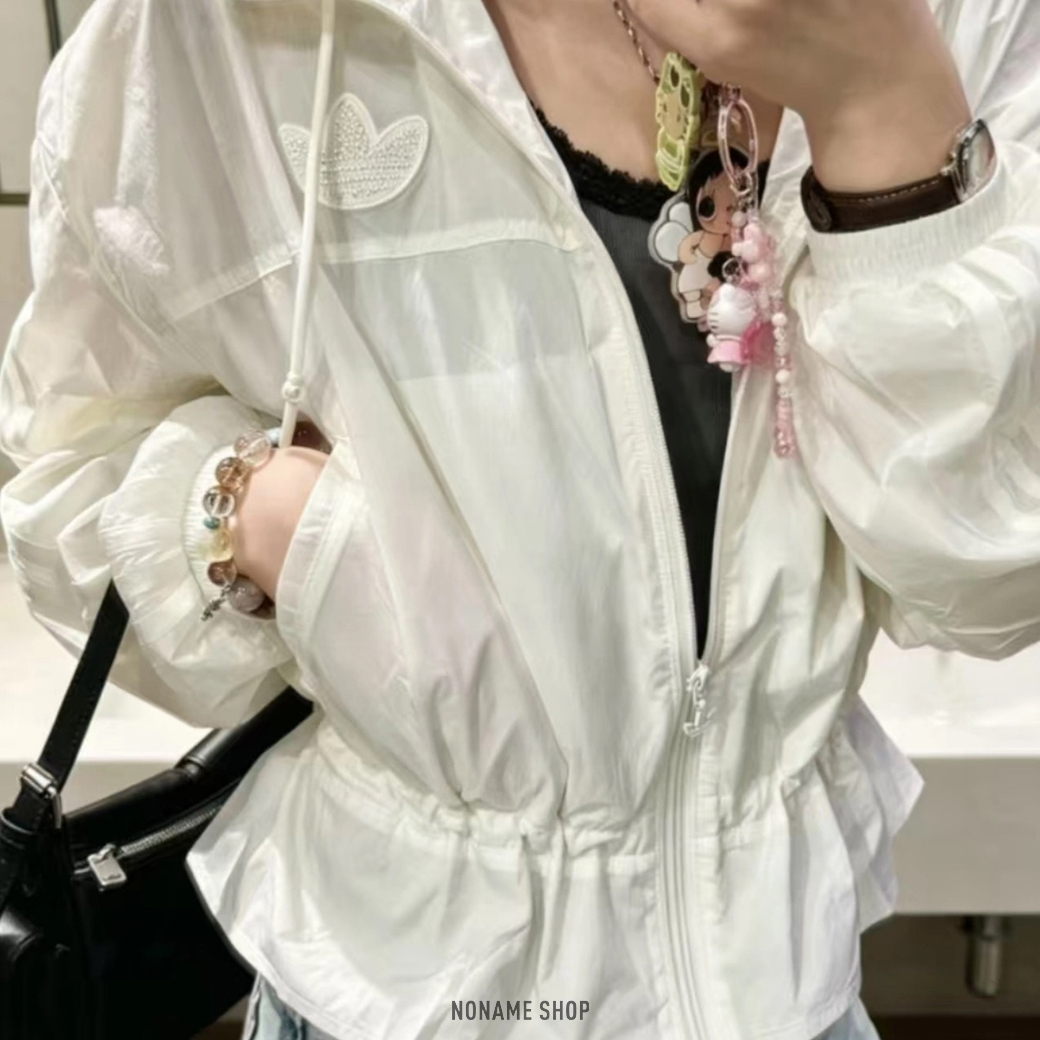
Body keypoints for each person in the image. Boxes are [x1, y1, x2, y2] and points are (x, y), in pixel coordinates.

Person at [1, 0, 1038, 1038]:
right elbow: (74, 459)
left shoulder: (966, 19)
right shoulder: (213, 34)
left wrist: (884, 99)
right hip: (407, 991)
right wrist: (249, 512)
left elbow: (995, 580)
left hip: (784, 986)